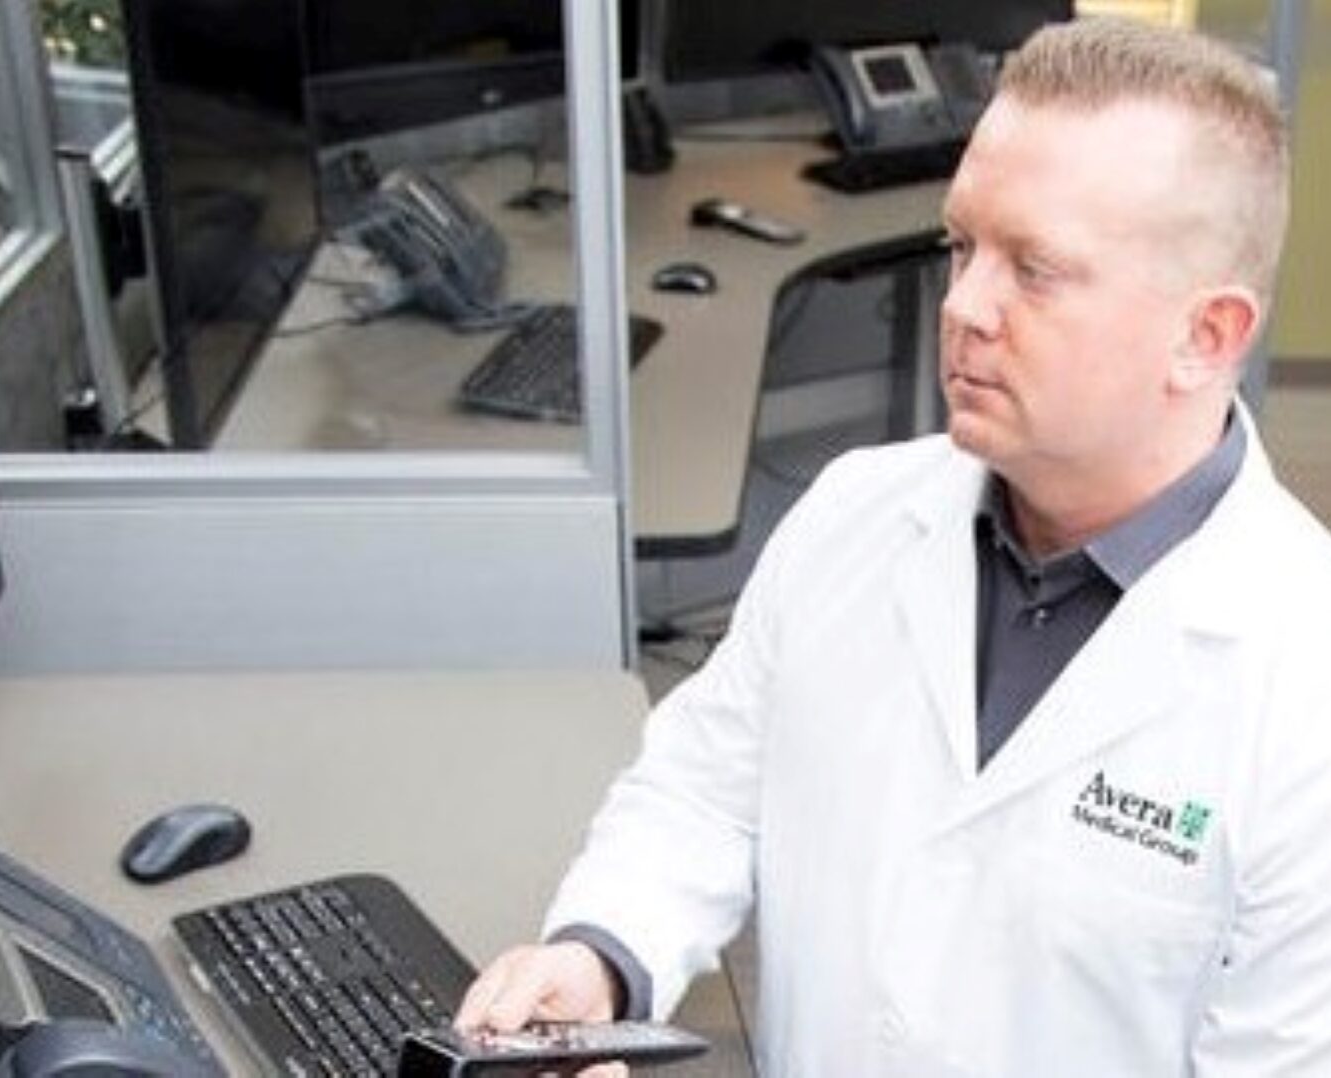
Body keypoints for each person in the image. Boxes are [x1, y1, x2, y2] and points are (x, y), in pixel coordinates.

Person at [457, 18, 1331, 1076]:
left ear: (1205, 337)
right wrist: (600, 957)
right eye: (962, 245)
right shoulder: (853, 515)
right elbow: (700, 791)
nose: (961, 306)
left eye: (1035, 268)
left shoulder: (1299, 685)